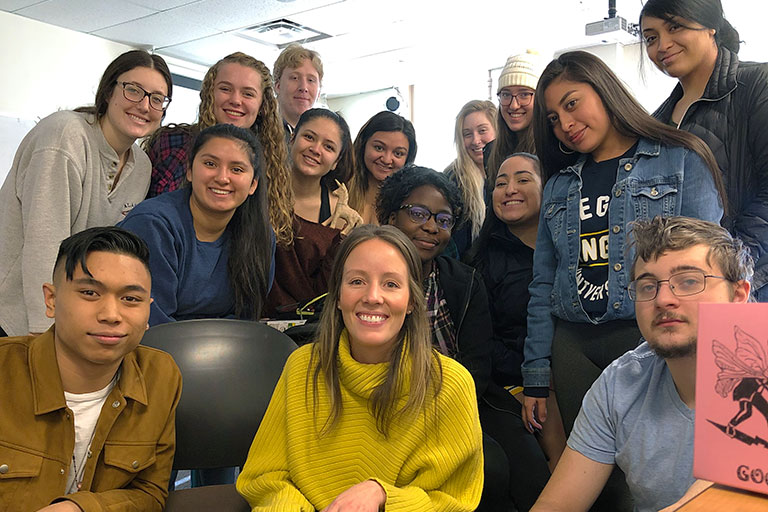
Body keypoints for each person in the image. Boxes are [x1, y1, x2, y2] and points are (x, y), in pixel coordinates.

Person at [524, 51, 726, 510]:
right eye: (553, 119)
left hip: (649, 329)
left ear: (604, 89)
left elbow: (710, 263)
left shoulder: (679, 158)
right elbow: (543, 284)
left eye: (573, 104)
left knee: (666, 467)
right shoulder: (559, 186)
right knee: (594, 478)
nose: (565, 125)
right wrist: (537, 374)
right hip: (573, 341)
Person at [236, 225, 484, 511]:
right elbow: (265, 476)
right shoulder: (302, 366)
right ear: (338, 296)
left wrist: (382, 496)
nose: (372, 296)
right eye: (356, 281)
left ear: (413, 300)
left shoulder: (449, 384)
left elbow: (453, 501)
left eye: (391, 284)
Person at [530, 216, 752, 512]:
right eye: (648, 286)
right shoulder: (620, 383)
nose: (662, 299)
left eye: (688, 281)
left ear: (738, 296)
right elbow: (557, 504)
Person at [378, 165, 549, 511]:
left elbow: (477, 362)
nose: (430, 227)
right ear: (391, 216)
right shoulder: (369, 276)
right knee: (490, 471)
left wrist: (447, 396)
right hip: (387, 403)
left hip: (461, 397)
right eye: (418, 213)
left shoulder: (463, 280)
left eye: (443, 220)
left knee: (529, 466)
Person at [0, 226, 182, 511]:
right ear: (51, 300)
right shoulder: (5, 370)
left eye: (131, 299)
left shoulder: (160, 375)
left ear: (149, 311)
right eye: (89, 293)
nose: (111, 315)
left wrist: (80, 508)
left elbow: (150, 491)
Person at [0, 50, 172, 338]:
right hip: (14, 313)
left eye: (157, 99)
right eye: (133, 90)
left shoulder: (141, 165)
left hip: (71, 319)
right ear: (107, 92)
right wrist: (45, 334)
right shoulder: (64, 135)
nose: (144, 105)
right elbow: (45, 244)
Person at [640, 0, 768, 302]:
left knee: (735, 350)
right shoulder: (657, 120)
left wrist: (730, 266)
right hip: (686, 288)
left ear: (711, 25)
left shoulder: (756, 83)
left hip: (750, 283)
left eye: (674, 27)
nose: (662, 46)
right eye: (651, 37)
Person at [467, 153, 567, 472]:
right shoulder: (480, 263)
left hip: (575, 368)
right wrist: (535, 375)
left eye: (523, 179)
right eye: (500, 183)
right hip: (516, 383)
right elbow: (481, 343)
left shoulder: (571, 247)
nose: (510, 189)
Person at [120, 123, 273, 326]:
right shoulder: (152, 225)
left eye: (237, 169)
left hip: (224, 349)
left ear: (253, 184)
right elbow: (150, 322)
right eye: (210, 164)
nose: (222, 178)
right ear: (190, 171)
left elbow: (244, 321)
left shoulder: (260, 236)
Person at [145, 52, 294, 247]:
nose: (235, 100)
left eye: (248, 93)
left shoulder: (271, 163)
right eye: (225, 89)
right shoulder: (172, 143)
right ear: (210, 93)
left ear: (263, 105)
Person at [266, 108, 362, 317]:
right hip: (254, 322)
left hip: (314, 329)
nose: (315, 149)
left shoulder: (344, 217)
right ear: (292, 139)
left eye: (328, 146)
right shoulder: (257, 192)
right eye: (309, 137)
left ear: (336, 160)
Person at [445, 100, 497, 257]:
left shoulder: (507, 172)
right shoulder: (454, 180)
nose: (475, 140)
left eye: (482, 131)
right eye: (467, 134)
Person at [484, 50, 546, 184]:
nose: (514, 105)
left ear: (541, 98)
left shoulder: (554, 148)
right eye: (506, 95)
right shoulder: (491, 153)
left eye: (524, 94)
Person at [348, 111, 417, 224]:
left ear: (408, 159)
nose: (386, 160)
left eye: (398, 153)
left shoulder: (409, 205)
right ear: (363, 144)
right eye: (379, 148)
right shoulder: (338, 191)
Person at [272, 43, 323, 134]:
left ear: (319, 92)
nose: (303, 87)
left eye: (311, 80)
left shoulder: (322, 137)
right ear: (278, 85)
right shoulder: (258, 133)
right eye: (294, 78)